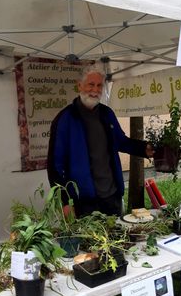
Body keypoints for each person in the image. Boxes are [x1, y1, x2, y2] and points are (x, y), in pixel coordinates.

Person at [47, 65, 154, 217]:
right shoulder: (65, 119)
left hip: (112, 197)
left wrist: (144, 148)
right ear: (80, 85)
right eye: (91, 84)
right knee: (89, 241)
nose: (95, 90)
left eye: (99, 86)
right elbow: (54, 167)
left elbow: (121, 141)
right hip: (83, 202)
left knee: (117, 239)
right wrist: (64, 202)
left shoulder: (106, 114)